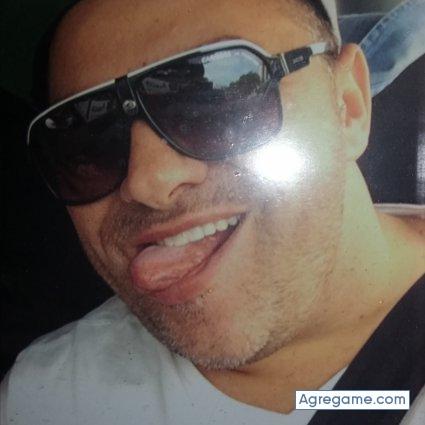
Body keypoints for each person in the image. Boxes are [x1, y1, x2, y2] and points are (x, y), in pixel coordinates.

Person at [1, 0, 424, 424]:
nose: (149, 182)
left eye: (213, 99)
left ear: (348, 105)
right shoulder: (46, 395)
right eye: (86, 141)